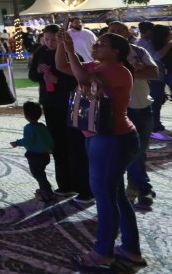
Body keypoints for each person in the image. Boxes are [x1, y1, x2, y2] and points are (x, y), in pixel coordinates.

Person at [57, 30, 144, 270]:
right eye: (96, 43)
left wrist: (71, 52)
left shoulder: (118, 71)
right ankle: (130, 249)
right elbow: (62, 66)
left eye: (101, 44)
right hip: (99, 137)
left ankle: (102, 253)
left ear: (116, 51)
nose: (95, 46)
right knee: (116, 196)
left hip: (113, 138)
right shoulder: (95, 65)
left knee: (105, 197)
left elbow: (83, 81)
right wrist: (63, 46)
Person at [27, 23, 91, 200]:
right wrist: (38, 72)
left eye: (53, 40)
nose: (49, 43)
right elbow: (32, 75)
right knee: (58, 146)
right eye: (46, 39)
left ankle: (83, 186)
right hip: (50, 104)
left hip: (69, 104)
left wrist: (58, 80)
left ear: (61, 39)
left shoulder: (72, 55)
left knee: (75, 146)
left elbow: (79, 81)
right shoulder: (40, 53)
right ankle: (65, 184)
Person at [107, 22, 160, 210]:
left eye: (119, 30)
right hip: (116, 109)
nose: (116, 33)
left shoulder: (138, 51)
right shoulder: (104, 55)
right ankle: (140, 187)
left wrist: (126, 73)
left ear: (127, 33)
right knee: (122, 151)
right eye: (112, 31)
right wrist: (135, 71)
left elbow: (154, 72)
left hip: (140, 106)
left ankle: (137, 187)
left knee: (139, 150)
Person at [10, 101, 55, 202]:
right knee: (41, 173)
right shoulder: (42, 126)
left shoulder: (29, 128)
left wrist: (17, 143)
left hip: (35, 156)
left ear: (26, 115)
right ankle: (44, 188)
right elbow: (49, 138)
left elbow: (28, 141)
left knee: (38, 174)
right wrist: (50, 147)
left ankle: (47, 191)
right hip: (45, 156)